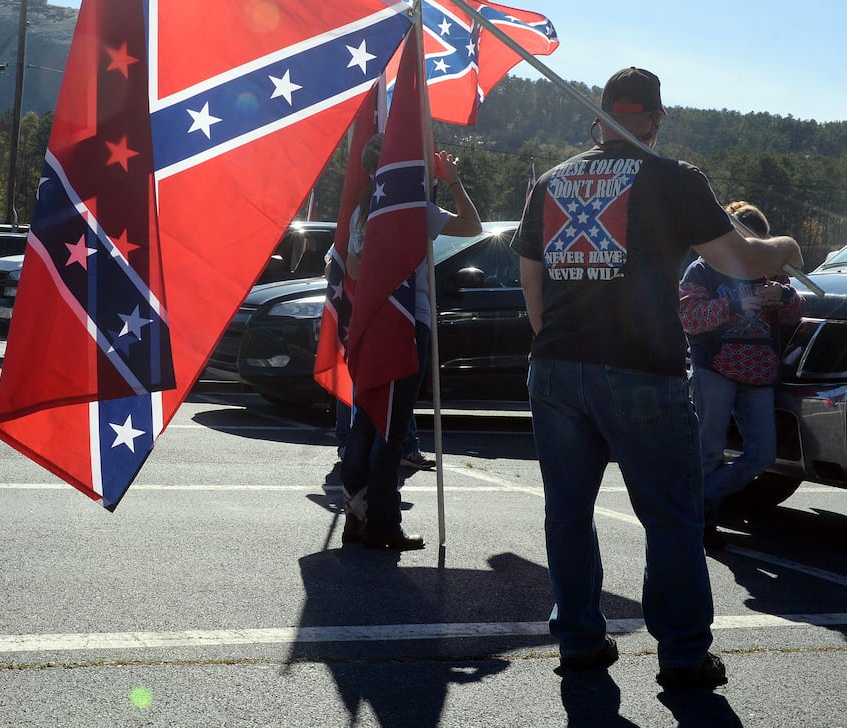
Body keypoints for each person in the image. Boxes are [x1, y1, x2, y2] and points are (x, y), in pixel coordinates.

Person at [512, 67, 802, 690]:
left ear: (600, 117)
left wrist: (558, 348)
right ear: (655, 116)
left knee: (567, 514)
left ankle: (581, 642)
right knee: (670, 516)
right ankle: (682, 655)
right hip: (642, 368)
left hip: (557, 367)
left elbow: (531, 285)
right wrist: (784, 248)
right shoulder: (674, 179)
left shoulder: (553, 183)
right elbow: (739, 261)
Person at [340, 138, 481, 550]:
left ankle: (358, 510)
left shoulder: (364, 211)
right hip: (406, 322)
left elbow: (351, 265)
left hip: (371, 322)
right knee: (393, 426)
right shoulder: (414, 210)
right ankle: (383, 522)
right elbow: (472, 227)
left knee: (369, 416)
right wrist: (453, 181)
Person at [680, 201, 802, 551]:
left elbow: (795, 313)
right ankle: (703, 523)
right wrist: (733, 306)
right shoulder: (702, 271)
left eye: (762, 245)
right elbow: (689, 318)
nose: (757, 254)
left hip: (760, 373)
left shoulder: (773, 272)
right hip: (714, 369)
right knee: (709, 451)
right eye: (751, 245)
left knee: (762, 455)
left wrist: (784, 295)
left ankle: (696, 505)